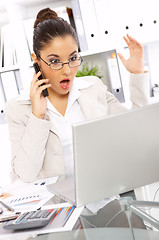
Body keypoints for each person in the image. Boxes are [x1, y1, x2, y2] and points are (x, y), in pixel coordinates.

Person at [5, 7, 150, 229]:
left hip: (106, 205)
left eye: (73, 58)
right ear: (36, 60)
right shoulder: (19, 108)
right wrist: (37, 115)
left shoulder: (93, 88)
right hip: (58, 217)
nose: (67, 70)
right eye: (54, 61)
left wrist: (137, 74)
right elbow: (26, 174)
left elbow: (136, 134)